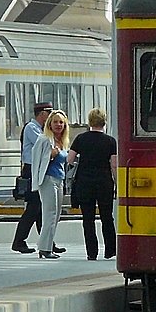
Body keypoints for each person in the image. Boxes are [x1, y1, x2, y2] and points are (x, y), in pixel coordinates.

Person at [11, 101, 64, 255]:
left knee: (41, 209)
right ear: (42, 114)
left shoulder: (39, 129)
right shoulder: (32, 128)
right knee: (34, 208)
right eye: (49, 114)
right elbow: (47, 145)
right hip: (32, 170)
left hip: (40, 169)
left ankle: (47, 242)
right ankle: (19, 241)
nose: (51, 118)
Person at [67, 108, 118, 261]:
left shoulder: (81, 139)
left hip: (85, 182)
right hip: (104, 182)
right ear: (104, 122)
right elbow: (114, 165)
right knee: (107, 217)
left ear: (90, 122)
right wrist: (117, 183)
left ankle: (92, 252)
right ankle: (110, 250)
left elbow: (70, 159)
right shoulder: (110, 141)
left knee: (88, 219)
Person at [31, 109, 71, 259]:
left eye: (61, 122)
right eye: (55, 122)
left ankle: (47, 246)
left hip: (59, 180)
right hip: (47, 179)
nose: (58, 125)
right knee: (49, 214)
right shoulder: (44, 139)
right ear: (49, 124)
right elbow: (36, 160)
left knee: (56, 215)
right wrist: (51, 156)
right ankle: (44, 249)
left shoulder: (63, 141)